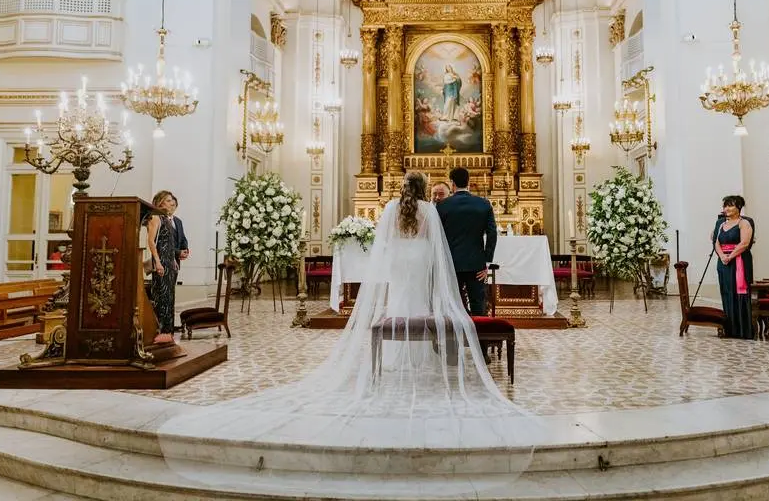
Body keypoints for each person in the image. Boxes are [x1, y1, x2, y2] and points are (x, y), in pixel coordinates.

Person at [158, 171, 545, 485]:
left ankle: (392, 355)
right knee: (422, 306)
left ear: (401, 189)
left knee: (399, 303)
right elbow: (436, 246)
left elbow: (385, 245)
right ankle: (424, 354)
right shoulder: (430, 210)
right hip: (423, 259)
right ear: (426, 190)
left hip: (399, 264)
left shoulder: (393, 208)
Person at [435, 167, 497, 316]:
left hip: (450, 263)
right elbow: (492, 233)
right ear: (468, 182)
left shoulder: (442, 206)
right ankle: (480, 336)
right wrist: (487, 261)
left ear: (452, 183)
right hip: (476, 263)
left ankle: (454, 337)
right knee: (477, 302)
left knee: (452, 303)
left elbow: (437, 235)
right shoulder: (483, 204)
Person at [712, 195, 755, 340]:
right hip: (723, 261)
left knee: (739, 293)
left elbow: (744, 243)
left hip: (739, 261)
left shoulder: (744, 223)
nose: (727, 209)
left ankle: (742, 330)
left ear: (738, 208)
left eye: (730, 205)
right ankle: (729, 328)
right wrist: (722, 256)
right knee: (726, 291)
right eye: (725, 206)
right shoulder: (720, 223)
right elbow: (715, 241)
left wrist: (730, 256)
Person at [146, 190, 179, 344]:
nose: (171, 202)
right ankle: (161, 329)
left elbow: (170, 243)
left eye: (172, 200)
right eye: (168, 200)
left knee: (170, 296)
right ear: (159, 202)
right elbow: (152, 242)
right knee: (161, 296)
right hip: (161, 262)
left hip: (169, 262)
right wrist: (157, 262)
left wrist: (173, 260)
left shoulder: (167, 219)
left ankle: (169, 331)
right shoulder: (155, 217)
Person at [170, 195, 190, 263]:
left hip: (177, 260)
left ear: (176, 207)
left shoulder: (178, 221)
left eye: (173, 205)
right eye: (170, 205)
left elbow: (182, 238)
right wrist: (178, 252)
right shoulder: (160, 220)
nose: (171, 207)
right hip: (165, 260)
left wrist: (185, 250)